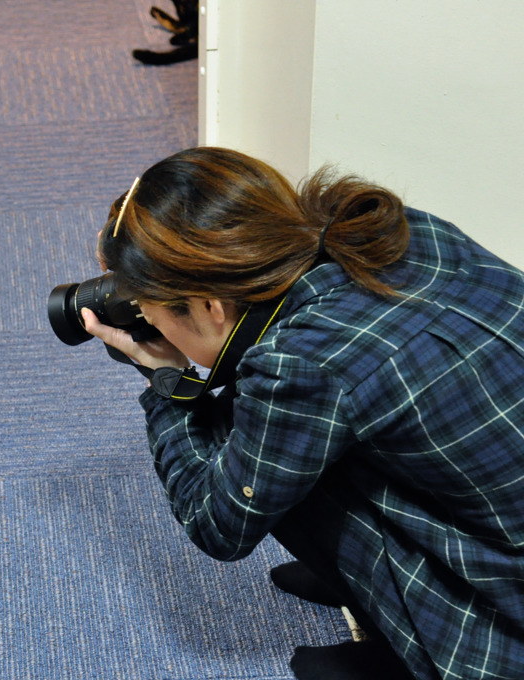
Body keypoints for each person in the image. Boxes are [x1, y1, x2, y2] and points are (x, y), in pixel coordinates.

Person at [82, 147, 524, 680]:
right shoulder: (389, 229)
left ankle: (415, 648)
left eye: (146, 309)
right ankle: (366, 595)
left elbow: (216, 522)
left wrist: (167, 385)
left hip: (510, 619)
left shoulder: (302, 366)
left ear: (209, 306)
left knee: (249, 452)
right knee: (291, 438)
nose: (144, 319)